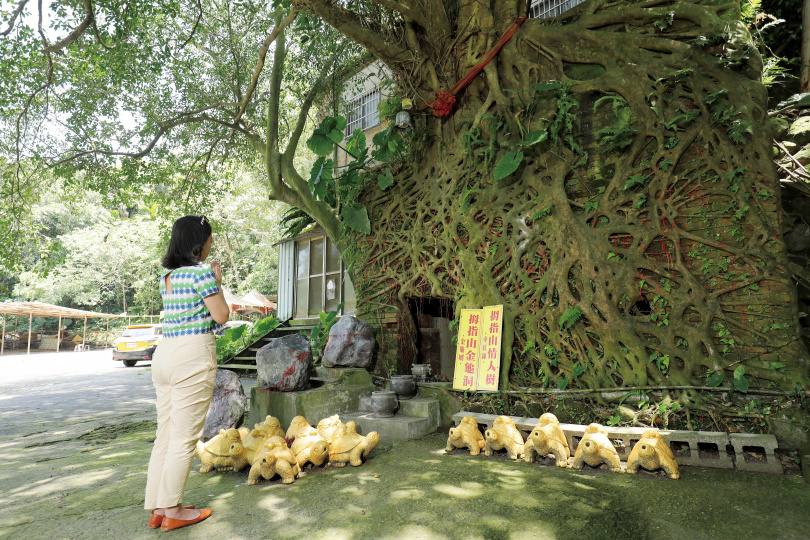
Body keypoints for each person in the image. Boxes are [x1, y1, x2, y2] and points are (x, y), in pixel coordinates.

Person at [144, 215, 230, 531]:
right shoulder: (201, 274)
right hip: (192, 355)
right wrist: (217, 282)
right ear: (199, 243)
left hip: (165, 354)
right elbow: (221, 315)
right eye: (209, 240)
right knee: (184, 438)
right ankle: (172, 509)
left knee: (165, 435)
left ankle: (158, 506)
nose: (211, 245)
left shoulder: (167, 276)